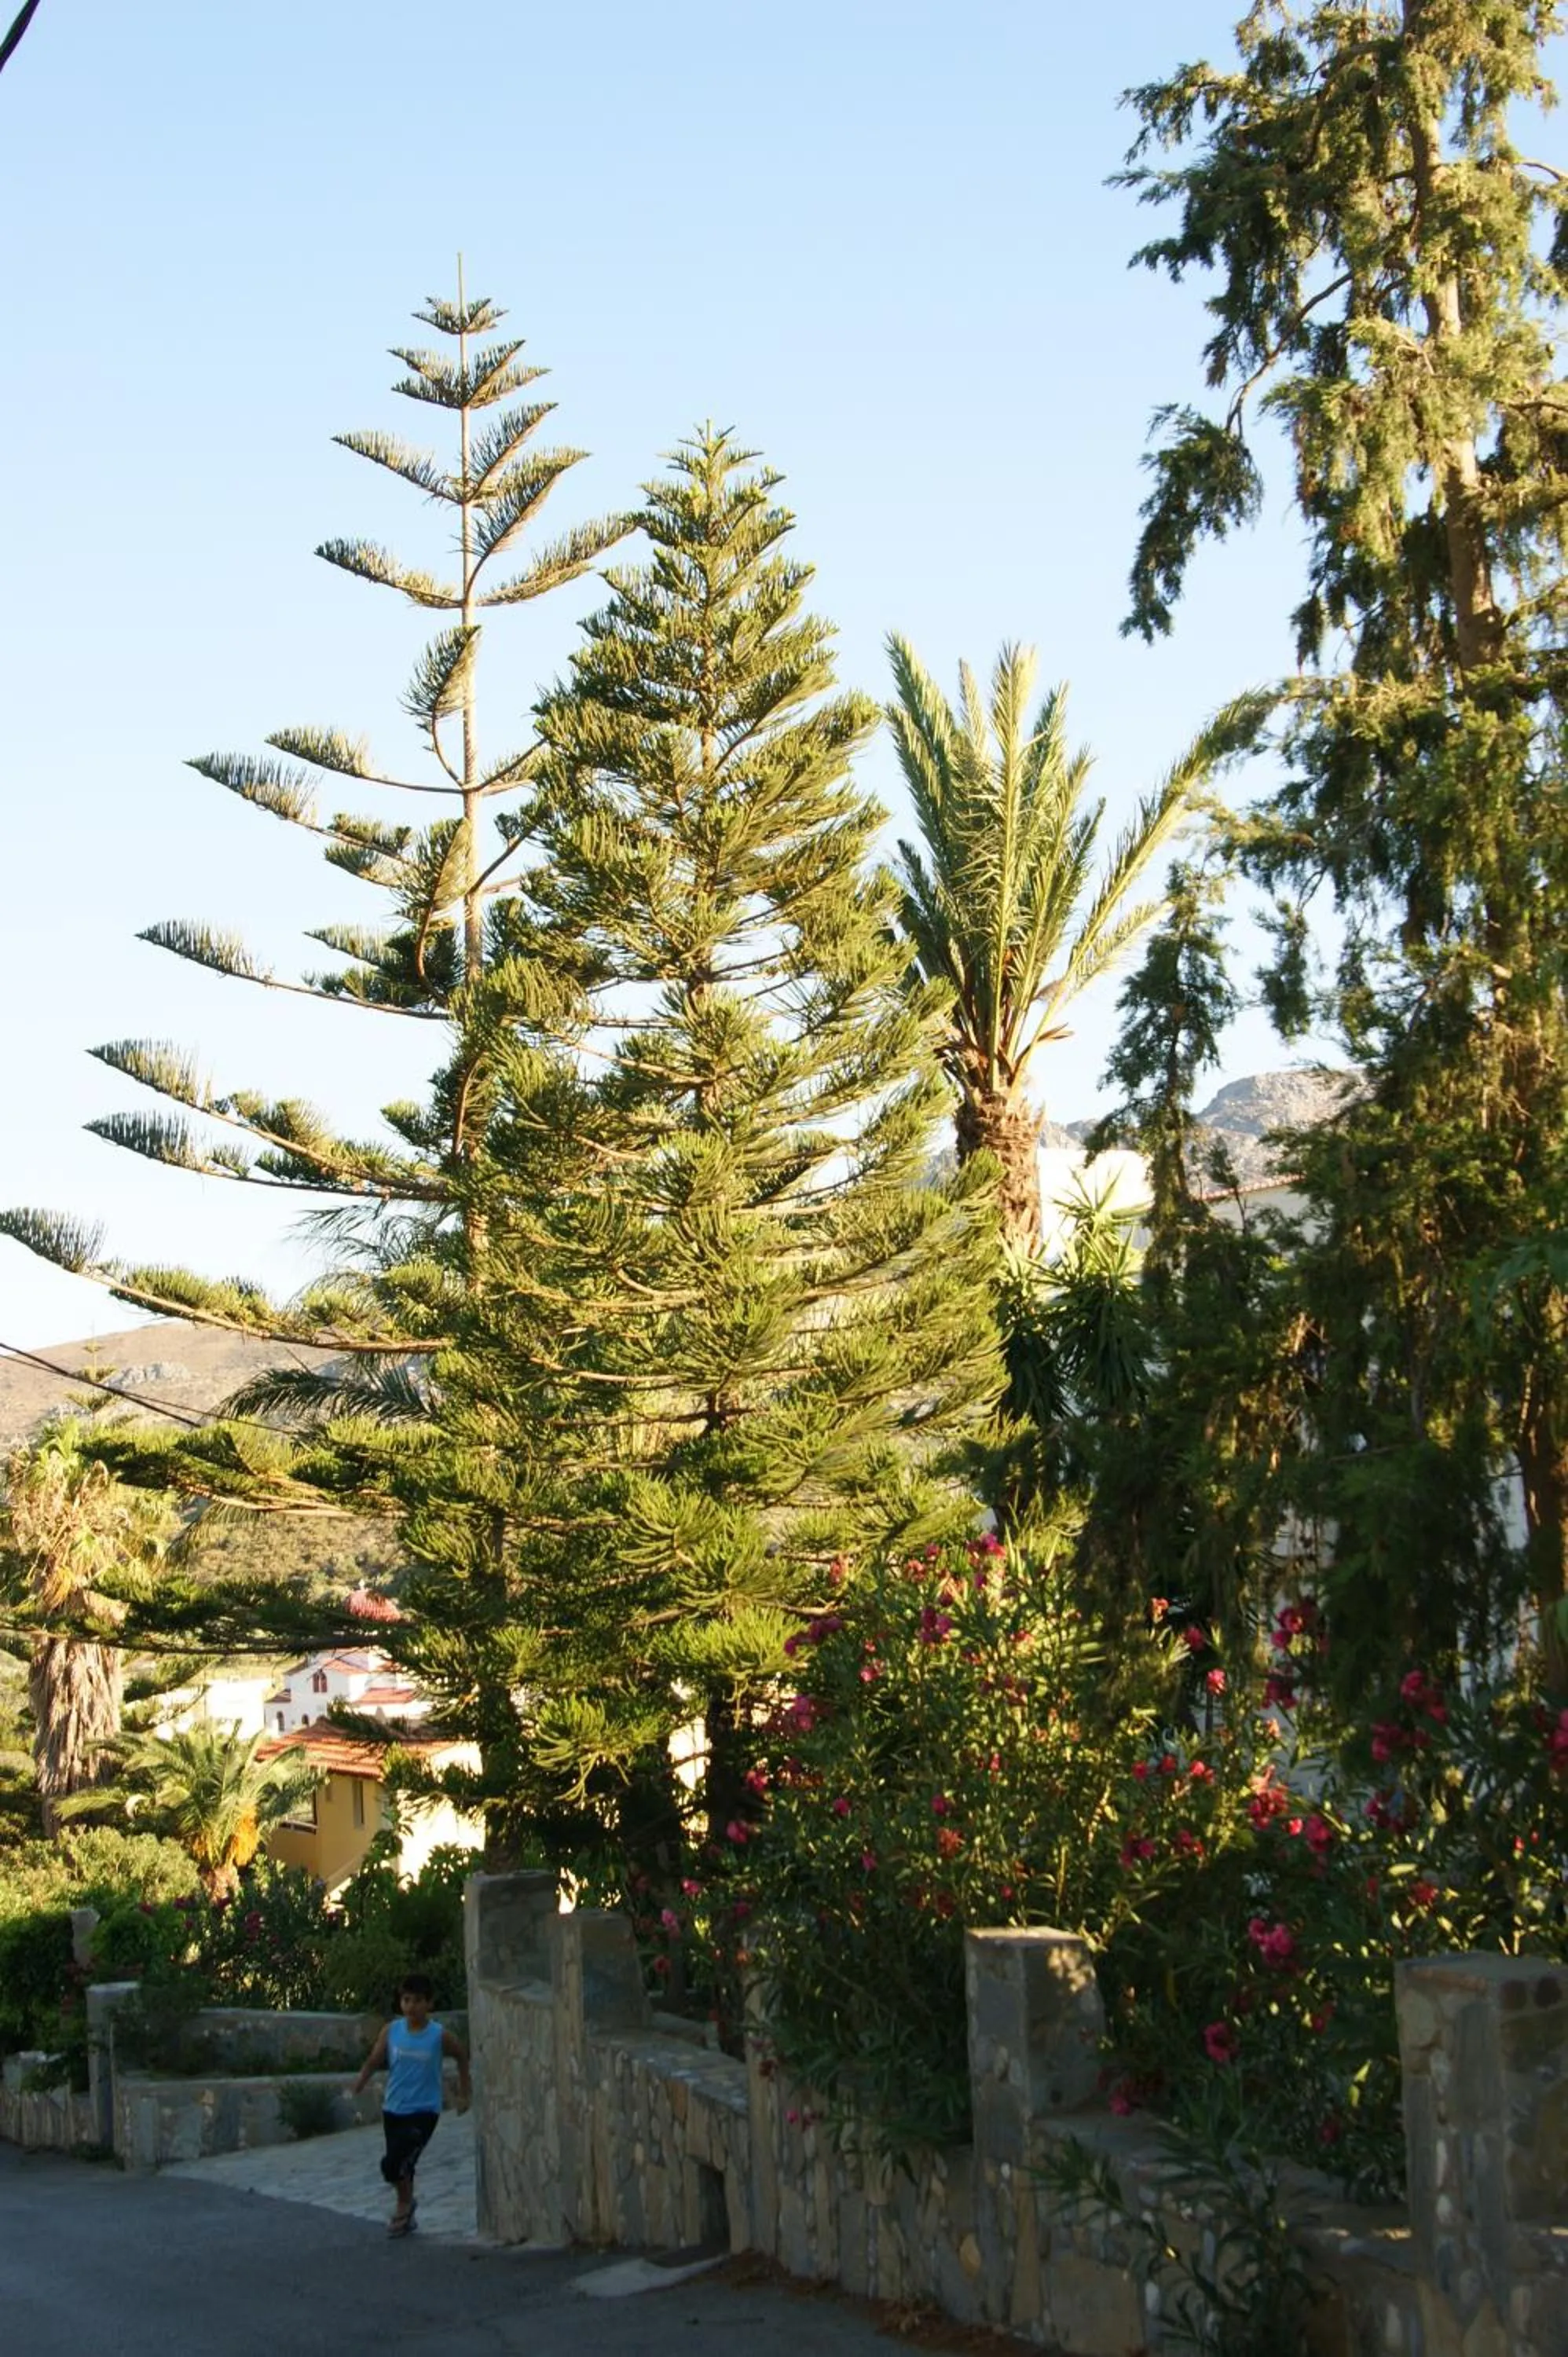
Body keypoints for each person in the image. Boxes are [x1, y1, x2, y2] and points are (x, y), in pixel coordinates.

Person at [351, 1972, 471, 2237]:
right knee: (405, 2164)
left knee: (392, 2164)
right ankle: (407, 2215)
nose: (411, 2007)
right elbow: (374, 2059)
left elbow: (462, 2056)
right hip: (394, 2109)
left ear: (429, 2003)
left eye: (417, 2001)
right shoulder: (392, 2031)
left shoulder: (438, 2035)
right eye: (406, 2000)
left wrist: (465, 2093)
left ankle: (403, 2205)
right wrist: (361, 2081)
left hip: (425, 2112)